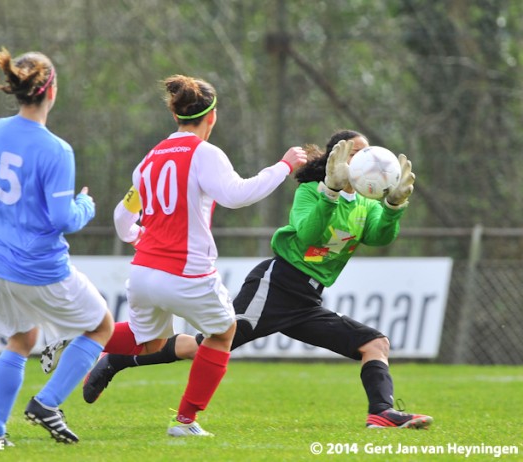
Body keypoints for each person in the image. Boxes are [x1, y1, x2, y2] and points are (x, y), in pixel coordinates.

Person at [83, 129, 433, 430]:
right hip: (276, 285)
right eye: (355, 154)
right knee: (204, 345)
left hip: (306, 301)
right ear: (335, 160)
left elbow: (378, 237)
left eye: (366, 154)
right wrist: (329, 192)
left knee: (375, 344)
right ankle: (116, 359)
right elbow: (310, 233)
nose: (365, 161)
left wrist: (392, 208)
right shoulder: (312, 190)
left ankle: (381, 412)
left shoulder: (367, 203)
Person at [82, 74, 307, 437]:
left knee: (150, 342)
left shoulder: (149, 160)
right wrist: (283, 166)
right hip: (186, 273)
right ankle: (185, 421)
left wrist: (142, 237)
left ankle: (79, 335)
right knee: (222, 334)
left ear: (175, 116)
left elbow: (122, 219)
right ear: (212, 117)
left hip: (143, 272)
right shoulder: (205, 154)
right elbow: (237, 195)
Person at [0, 47, 114, 445]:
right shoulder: (56, 149)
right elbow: (61, 219)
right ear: (51, 91)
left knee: (21, 341)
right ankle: (47, 402)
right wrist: (85, 205)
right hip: (39, 269)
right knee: (101, 325)